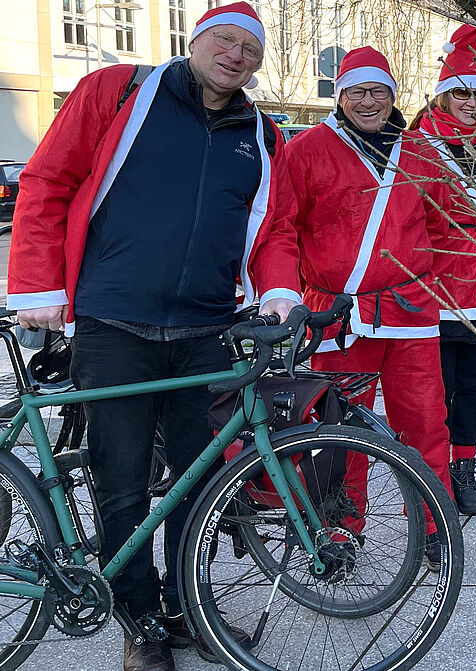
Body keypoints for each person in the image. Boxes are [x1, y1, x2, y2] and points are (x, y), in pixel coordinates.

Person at [6, 3, 278, 668]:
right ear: (197, 39)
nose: (235, 55)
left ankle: (188, 609)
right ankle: (139, 622)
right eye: (225, 40)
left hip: (205, 328)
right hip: (114, 322)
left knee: (198, 482)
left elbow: (272, 225)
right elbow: (47, 181)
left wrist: (277, 294)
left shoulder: (262, 133)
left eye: (250, 48)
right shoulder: (120, 90)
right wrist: (37, 289)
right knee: (122, 482)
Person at [251, 46, 459, 568]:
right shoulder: (306, 151)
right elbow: (283, 227)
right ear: (340, 96)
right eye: (358, 92)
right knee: (335, 434)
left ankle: (436, 526)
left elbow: (446, 228)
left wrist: (433, 285)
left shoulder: (423, 154)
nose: (369, 102)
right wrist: (287, 294)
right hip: (336, 317)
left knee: (427, 424)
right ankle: (340, 526)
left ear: (394, 97)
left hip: (410, 313)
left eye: (379, 92)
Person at [410, 25, 476, 515]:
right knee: (439, 394)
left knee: (474, 391)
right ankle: (434, 480)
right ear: (443, 96)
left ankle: (464, 471)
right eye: (462, 93)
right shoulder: (417, 145)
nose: (472, 102)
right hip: (441, 296)